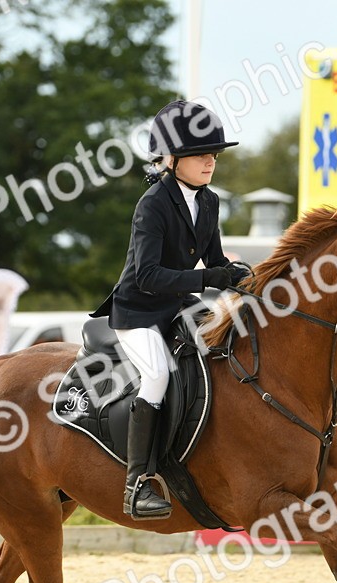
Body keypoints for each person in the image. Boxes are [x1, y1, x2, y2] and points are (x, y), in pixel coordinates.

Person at [92, 99, 250, 520]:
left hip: (179, 305)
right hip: (139, 311)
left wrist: (248, 277)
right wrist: (210, 280)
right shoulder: (153, 204)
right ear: (172, 158)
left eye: (214, 154)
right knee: (159, 373)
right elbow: (147, 277)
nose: (210, 161)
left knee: (226, 350)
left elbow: (215, 261)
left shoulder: (210, 201)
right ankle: (137, 484)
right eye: (201, 154)